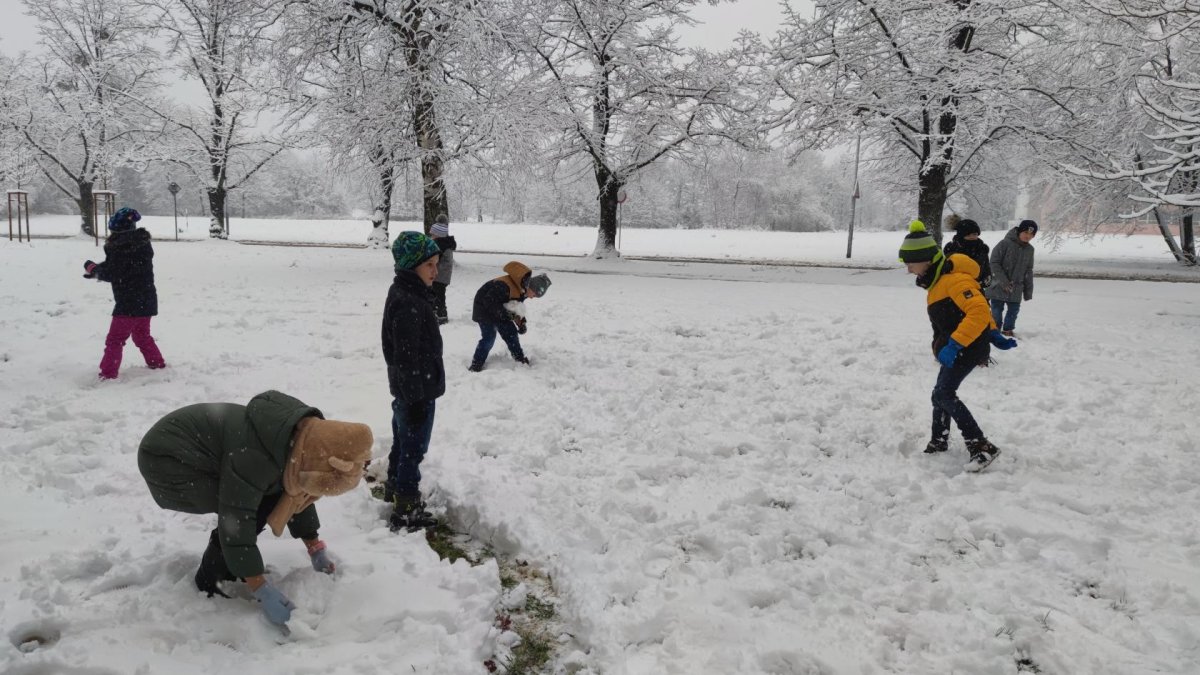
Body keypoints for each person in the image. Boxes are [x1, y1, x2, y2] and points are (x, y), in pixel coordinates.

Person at [137, 390, 373, 627]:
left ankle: (233, 565)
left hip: (194, 452)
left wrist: (314, 546)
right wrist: (260, 588)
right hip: (167, 463)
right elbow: (236, 517)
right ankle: (211, 580)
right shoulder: (256, 456)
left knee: (266, 496)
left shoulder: (302, 439)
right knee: (252, 508)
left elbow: (296, 493)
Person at [899, 220, 1017, 472]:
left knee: (944, 394)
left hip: (966, 348)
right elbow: (974, 309)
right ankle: (939, 440)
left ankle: (981, 446)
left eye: (910, 264)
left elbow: (978, 310)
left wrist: (955, 344)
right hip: (960, 347)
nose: (908, 270)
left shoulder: (954, 281)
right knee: (939, 394)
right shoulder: (938, 282)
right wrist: (993, 333)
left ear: (926, 260)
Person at [382, 231, 445, 531]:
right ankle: (406, 507)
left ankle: (394, 487)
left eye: (437, 264)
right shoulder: (408, 301)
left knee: (402, 442)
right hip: (416, 391)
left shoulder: (408, 292)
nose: (436, 271)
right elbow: (405, 356)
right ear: (411, 266)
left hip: (410, 389)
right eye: (429, 265)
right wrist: (417, 399)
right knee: (413, 448)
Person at [82, 207, 166, 379]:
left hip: (128, 303)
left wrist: (95, 269)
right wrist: (98, 269)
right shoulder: (141, 244)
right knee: (142, 336)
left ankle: (108, 373)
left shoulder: (119, 248)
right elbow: (118, 267)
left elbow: (114, 272)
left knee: (115, 339)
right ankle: (156, 363)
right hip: (146, 300)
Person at [468, 261, 551, 372]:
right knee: (489, 338)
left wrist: (521, 322)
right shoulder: (504, 286)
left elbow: (515, 307)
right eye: (534, 294)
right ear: (531, 287)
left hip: (500, 310)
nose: (532, 297)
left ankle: (519, 359)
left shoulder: (523, 290)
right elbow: (488, 301)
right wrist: (507, 315)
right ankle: (476, 365)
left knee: (511, 333)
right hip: (483, 309)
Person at [985, 219, 1037, 337]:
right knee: (996, 310)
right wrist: (1003, 281)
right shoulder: (1004, 244)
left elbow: (1028, 270)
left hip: (1016, 287)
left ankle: (1008, 330)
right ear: (1019, 231)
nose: (1028, 236)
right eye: (1026, 232)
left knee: (1014, 310)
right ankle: (995, 329)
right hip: (998, 285)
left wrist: (1028, 291)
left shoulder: (1030, 250)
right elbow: (994, 263)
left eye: (1031, 234)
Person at [942, 218, 991, 286]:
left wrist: (986, 280)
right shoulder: (952, 250)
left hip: (978, 288)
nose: (972, 237)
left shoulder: (981, 249)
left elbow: (986, 270)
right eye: (968, 235)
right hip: (957, 288)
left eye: (974, 234)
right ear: (961, 236)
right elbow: (946, 274)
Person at [429, 214, 456, 325]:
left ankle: (441, 315)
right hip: (442, 275)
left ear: (438, 234)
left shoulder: (441, 244)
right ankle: (436, 312)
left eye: (433, 234)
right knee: (436, 294)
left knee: (438, 295)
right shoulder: (445, 242)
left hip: (440, 275)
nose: (431, 236)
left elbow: (435, 259)